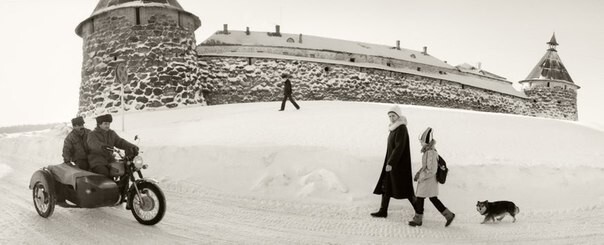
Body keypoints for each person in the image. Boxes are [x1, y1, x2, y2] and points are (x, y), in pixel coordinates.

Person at [371, 105, 418, 218]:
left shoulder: (401, 128)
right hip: (391, 164)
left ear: (398, 116)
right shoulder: (393, 128)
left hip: (399, 165)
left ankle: (419, 210)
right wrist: (389, 162)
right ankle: (383, 211)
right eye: (390, 116)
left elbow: (399, 147)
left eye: (393, 115)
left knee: (406, 190)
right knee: (386, 186)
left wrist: (391, 163)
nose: (391, 118)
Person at [408, 127, 455, 227]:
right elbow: (427, 166)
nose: (420, 143)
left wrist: (420, 176)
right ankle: (449, 215)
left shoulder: (431, 152)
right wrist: (418, 173)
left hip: (427, 181)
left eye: (422, 141)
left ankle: (418, 220)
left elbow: (432, 170)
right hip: (428, 181)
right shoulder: (428, 151)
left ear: (426, 141)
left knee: (420, 198)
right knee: (433, 199)